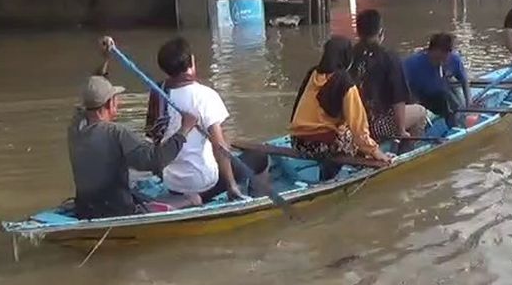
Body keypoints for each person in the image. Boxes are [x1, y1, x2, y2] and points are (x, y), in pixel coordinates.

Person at [153, 37, 270, 203]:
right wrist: (231, 186)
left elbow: (154, 138)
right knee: (260, 157)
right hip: (203, 183)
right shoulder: (205, 95)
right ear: (191, 63)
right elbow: (219, 147)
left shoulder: (159, 94)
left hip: (172, 182)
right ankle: (260, 201)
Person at [68, 74, 197, 219]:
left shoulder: (75, 128)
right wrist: (184, 130)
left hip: (85, 209)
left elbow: (91, 97)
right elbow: (155, 161)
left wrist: (105, 61)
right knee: (194, 199)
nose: (119, 102)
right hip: (118, 210)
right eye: (116, 99)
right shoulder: (115, 133)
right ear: (110, 104)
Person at [291, 36, 393, 175]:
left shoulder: (313, 73)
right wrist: (376, 152)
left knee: (344, 131)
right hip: (321, 145)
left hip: (297, 141)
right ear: (347, 57)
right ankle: (337, 174)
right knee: (353, 137)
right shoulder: (345, 83)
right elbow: (359, 128)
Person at [351, 9, 427, 142]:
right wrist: (401, 130)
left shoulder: (349, 55)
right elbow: (398, 97)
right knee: (421, 112)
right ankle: (406, 151)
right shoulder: (389, 57)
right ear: (381, 32)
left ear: (358, 32)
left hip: (352, 124)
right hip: (375, 126)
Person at [403, 33, 470, 127]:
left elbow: (464, 81)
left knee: (452, 101)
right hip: (418, 97)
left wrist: (468, 103)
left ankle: (456, 126)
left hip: (442, 96)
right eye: (443, 52)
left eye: (448, 52)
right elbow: (399, 86)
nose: (446, 57)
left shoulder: (454, 60)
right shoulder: (412, 63)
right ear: (433, 50)